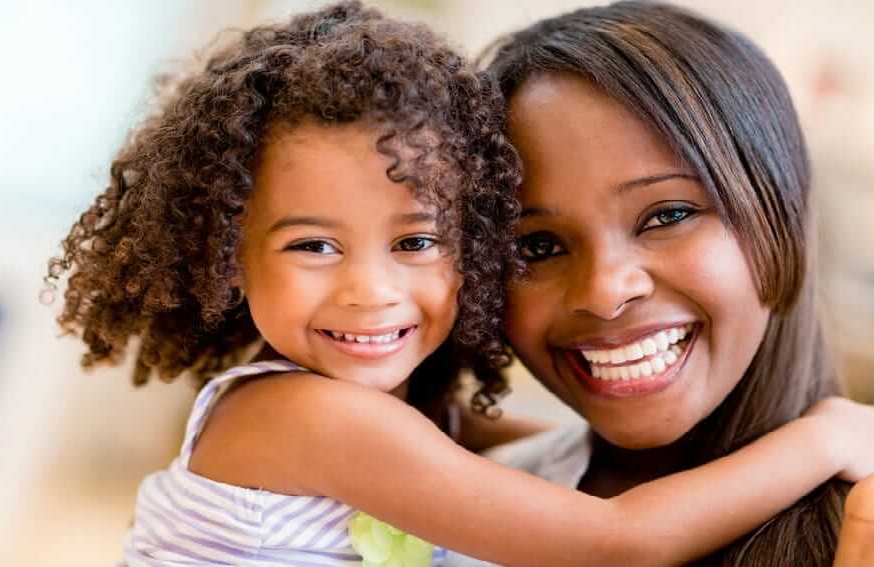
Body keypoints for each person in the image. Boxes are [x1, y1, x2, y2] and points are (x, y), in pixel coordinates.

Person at [46, 2, 874, 566]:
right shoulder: (306, 415)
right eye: (312, 245)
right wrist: (826, 436)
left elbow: (487, 452)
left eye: (415, 239)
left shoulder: (389, 427)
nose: (370, 289)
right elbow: (624, 538)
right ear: (225, 252)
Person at [447, 1, 874, 565]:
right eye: (538, 246)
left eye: (667, 215)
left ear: (784, 213)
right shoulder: (452, 521)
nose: (605, 291)